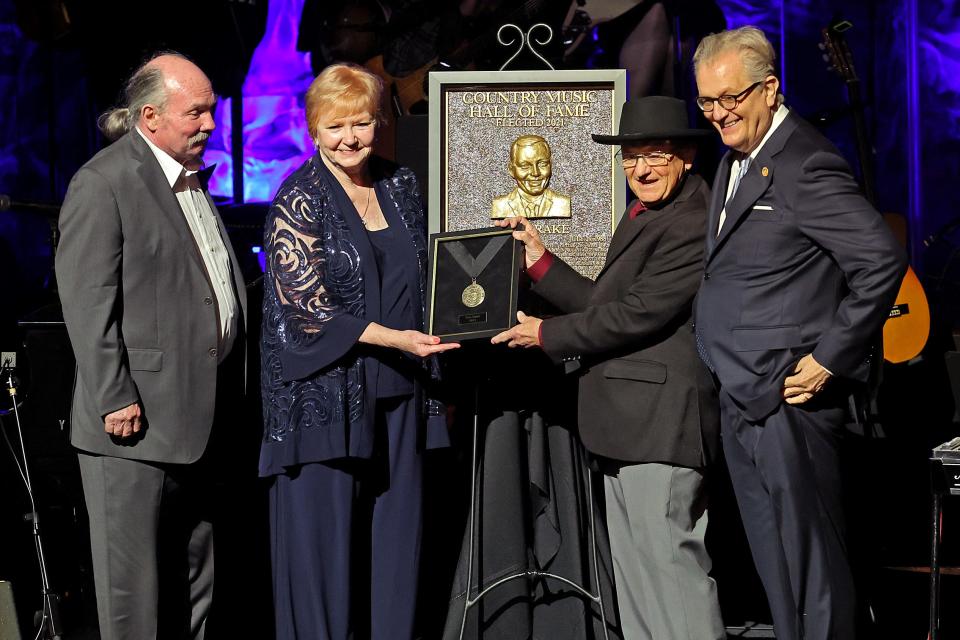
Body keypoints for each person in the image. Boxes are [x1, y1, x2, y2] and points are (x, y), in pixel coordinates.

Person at [692, 26, 907, 640]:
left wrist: (830, 359)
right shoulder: (738, 156)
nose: (719, 113)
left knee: (814, 571)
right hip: (742, 394)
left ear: (770, 87)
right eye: (707, 101)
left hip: (789, 397)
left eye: (731, 98)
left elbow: (880, 260)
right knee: (777, 569)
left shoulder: (805, 161)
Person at [492, 96, 725, 640]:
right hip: (627, 422)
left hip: (661, 424)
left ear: (686, 155)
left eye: (655, 155)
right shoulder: (650, 210)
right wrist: (539, 259)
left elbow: (638, 315)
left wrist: (545, 332)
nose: (640, 169)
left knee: (670, 574)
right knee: (639, 579)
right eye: (630, 157)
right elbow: (608, 302)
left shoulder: (692, 219)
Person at [259, 62, 458, 640]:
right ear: (313, 129)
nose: (350, 138)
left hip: (404, 395)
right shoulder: (297, 200)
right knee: (327, 561)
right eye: (335, 126)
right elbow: (307, 311)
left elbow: (431, 274)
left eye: (363, 123)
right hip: (324, 401)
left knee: (399, 554)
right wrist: (396, 338)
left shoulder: (402, 186)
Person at [55, 53, 247, 639]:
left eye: (211, 110)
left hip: (198, 422)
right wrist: (115, 396)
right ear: (150, 116)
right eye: (197, 112)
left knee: (195, 584)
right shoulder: (104, 181)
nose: (210, 123)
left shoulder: (189, 176)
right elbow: (88, 303)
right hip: (132, 430)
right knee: (132, 599)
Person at [491, 134, 571, 219]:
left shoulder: (562, 204)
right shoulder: (500, 206)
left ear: (550, 165)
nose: (535, 173)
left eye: (542, 164)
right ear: (511, 170)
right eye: (525, 166)